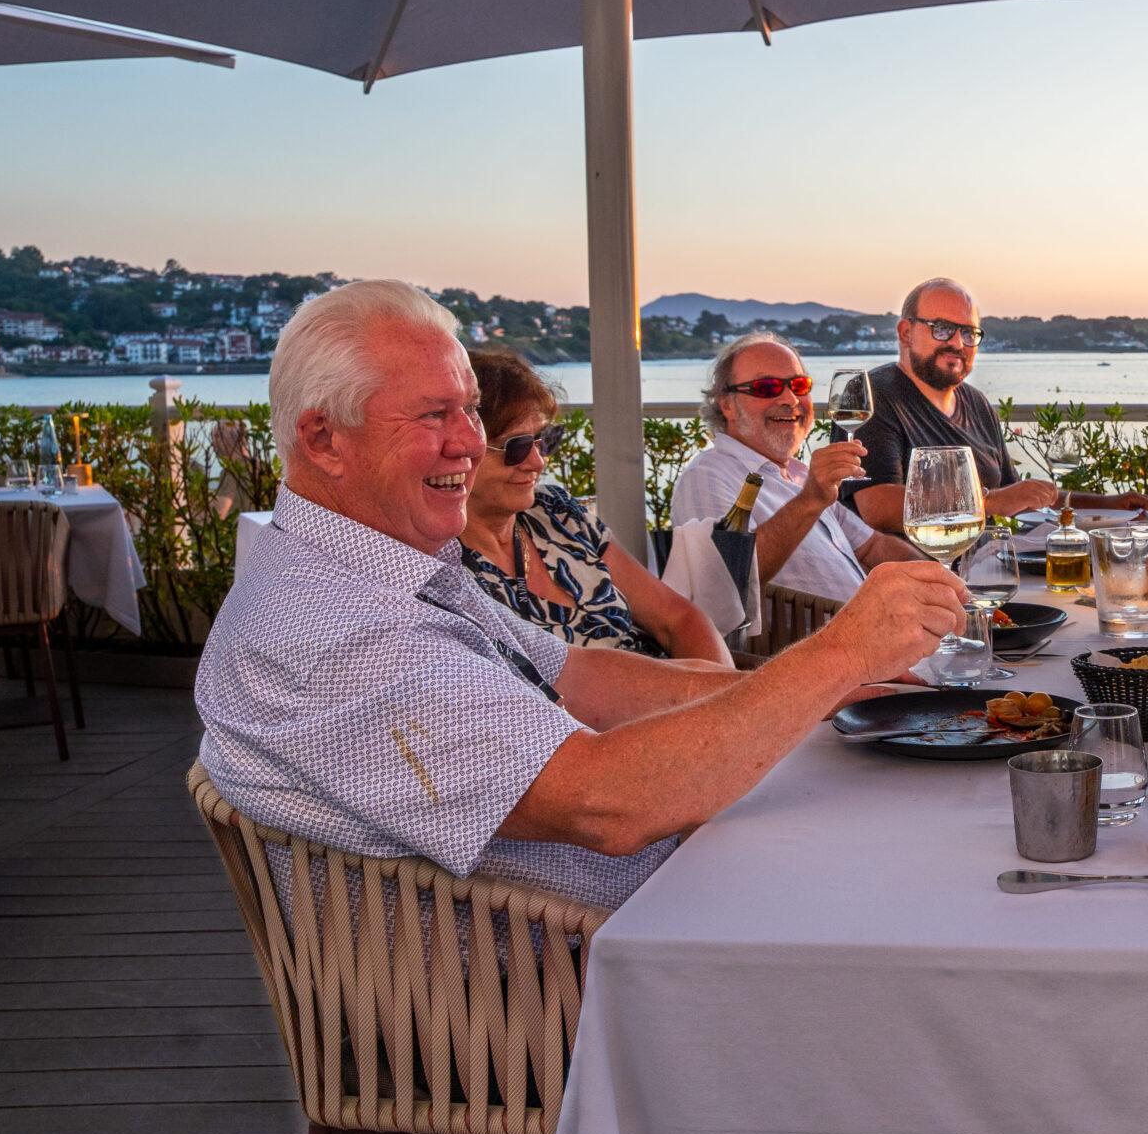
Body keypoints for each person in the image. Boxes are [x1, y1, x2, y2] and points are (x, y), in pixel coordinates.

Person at [198, 279, 968, 911]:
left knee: (909, 831)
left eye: (469, 408)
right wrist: (835, 657)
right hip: (547, 999)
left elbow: (583, 675)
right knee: (924, 885)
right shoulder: (331, 629)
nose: (472, 442)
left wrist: (828, 694)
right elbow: (607, 804)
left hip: (669, 894)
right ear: (323, 439)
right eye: (436, 414)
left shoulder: (385, 567)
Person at [457, 349, 727, 661]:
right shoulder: (450, 570)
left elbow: (678, 619)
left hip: (680, 690)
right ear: (462, 449)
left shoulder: (556, 513)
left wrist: (724, 689)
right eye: (515, 447)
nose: (537, 462)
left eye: (545, 440)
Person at [843, 277, 1148, 532]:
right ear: (906, 333)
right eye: (941, 328)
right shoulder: (872, 396)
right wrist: (988, 502)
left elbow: (1015, 497)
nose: (957, 343)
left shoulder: (976, 404)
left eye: (968, 332)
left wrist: (1110, 503)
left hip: (985, 569)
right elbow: (877, 506)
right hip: (910, 581)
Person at [672, 331, 921, 603]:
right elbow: (724, 582)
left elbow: (873, 546)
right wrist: (810, 499)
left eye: (799, 386)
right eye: (767, 387)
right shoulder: (708, 475)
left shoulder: (800, 474)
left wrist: (944, 578)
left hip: (882, 631)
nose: (790, 399)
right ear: (727, 405)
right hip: (818, 643)